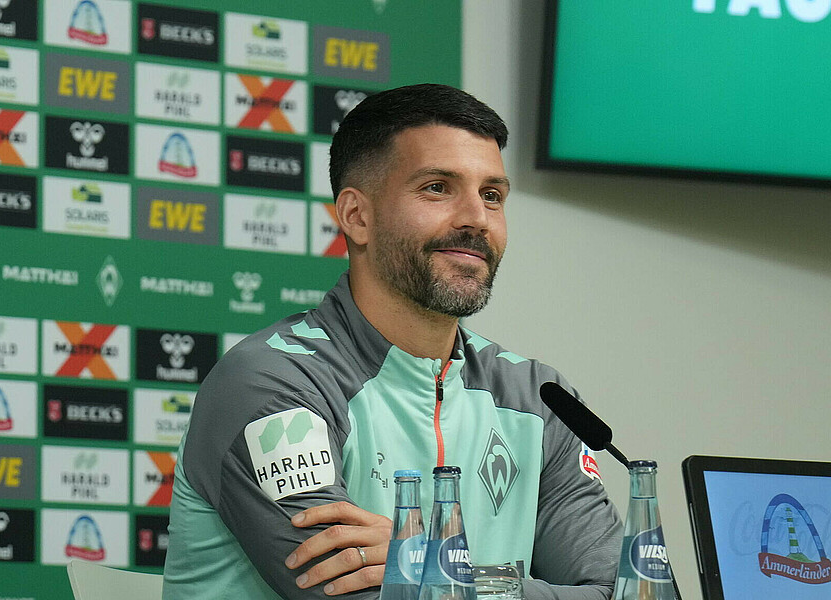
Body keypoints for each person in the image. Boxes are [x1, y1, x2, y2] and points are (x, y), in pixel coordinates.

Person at [162, 83, 621, 600]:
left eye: (491, 195)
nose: (475, 218)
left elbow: (625, 592)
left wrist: (436, 569)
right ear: (357, 216)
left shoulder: (537, 397)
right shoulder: (272, 384)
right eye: (437, 188)